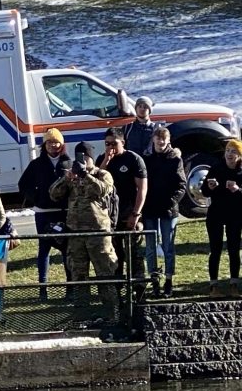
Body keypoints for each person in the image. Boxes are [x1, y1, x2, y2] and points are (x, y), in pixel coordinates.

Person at [50, 142, 118, 315]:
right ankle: (82, 314)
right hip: (76, 234)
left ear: (91, 158)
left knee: (105, 274)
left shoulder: (102, 174)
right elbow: (53, 194)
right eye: (79, 158)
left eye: (85, 158)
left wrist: (85, 175)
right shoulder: (72, 177)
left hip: (98, 234)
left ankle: (112, 313)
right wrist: (67, 178)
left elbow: (103, 190)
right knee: (78, 276)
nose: (82, 161)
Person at [18, 128, 71, 298]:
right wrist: (37, 197)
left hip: (63, 212)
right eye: (49, 142)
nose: (53, 145)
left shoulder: (68, 163)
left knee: (66, 249)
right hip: (42, 212)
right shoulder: (36, 164)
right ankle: (43, 289)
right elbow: (23, 185)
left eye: (56, 142)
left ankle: (71, 287)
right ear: (44, 145)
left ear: (61, 144)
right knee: (44, 249)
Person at [97, 128, 147, 290]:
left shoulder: (133, 159)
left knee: (135, 256)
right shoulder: (102, 159)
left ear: (122, 142)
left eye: (114, 143)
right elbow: (96, 184)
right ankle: (117, 292)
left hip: (130, 214)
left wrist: (136, 214)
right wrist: (106, 161)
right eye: (107, 143)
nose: (110, 147)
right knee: (114, 257)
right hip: (110, 218)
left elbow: (142, 188)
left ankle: (138, 291)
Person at [204, 139, 242, 298]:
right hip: (216, 214)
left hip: (235, 215)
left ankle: (234, 284)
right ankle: (213, 286)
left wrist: (238, 190)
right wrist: (210, 187)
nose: (229, 154)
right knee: (215, 249)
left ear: (240, 156)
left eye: (234, 152)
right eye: (228, 151)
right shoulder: (216, 168)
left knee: (233, 249)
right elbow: (204, 191)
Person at [141, 127, 186, 298]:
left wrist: (172, 201)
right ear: (153, 139)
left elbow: (181, 185)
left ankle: (168, 280)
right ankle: (154, 281)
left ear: (168, 141)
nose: (161, 142)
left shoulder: (175, 159)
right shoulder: (146, 158)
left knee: (168, 247)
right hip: (150, 209)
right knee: (150, 248)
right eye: (158, 139)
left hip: (168, 209)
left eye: (164, 139)